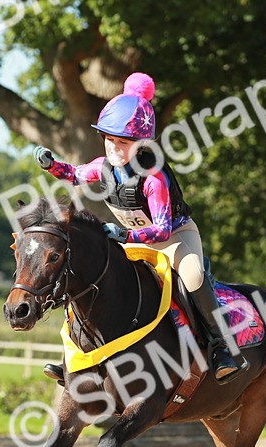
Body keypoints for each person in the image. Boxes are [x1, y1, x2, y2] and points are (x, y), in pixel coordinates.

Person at [31, 72, 246, 385]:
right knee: (86, 277)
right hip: (133, 241)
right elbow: (75, 174)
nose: (115, 148)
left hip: (174, 238)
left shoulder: (153, 179)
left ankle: (221, 347)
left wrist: (125, 236)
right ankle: (76, 358)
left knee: (194, 276)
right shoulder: (103, 167)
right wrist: (52, 166)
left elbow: (161, 229)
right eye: (110, 139)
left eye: (123, 142)